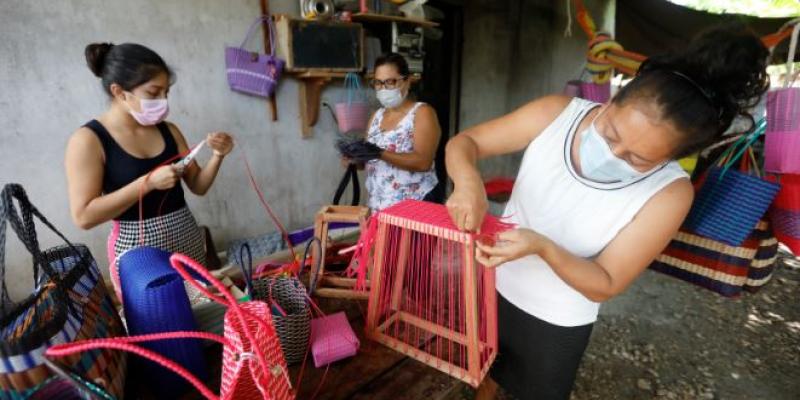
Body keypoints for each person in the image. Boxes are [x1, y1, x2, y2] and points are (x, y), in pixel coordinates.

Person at [445, 24, 769, 400]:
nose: (613, 154)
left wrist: (542, 247)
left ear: (673, 158)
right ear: (612, 100)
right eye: (611, 134)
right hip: (489, 282)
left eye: (637, 159)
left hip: (555, 317)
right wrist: (467, 182)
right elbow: (466, 142)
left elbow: (606, 281)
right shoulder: (556, 114)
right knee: (483, 368)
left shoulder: (670, 193)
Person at [65, 42, 233, 296]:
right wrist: (147, 183)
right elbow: (84, 216)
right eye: (154, 93)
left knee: (200, 310)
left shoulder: (169, 130)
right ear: (120, 92)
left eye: (166, 93)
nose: (163, 101)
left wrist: (218, 155)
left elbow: (198, 185)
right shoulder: (88, 140)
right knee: (156, 314)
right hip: (137, 250)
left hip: (186, 237)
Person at [340, 53, 442, 211]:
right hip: (379, 206)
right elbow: (368, 161)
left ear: (407, 81)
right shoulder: (376, 117)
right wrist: (354, 159)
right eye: (378, 82)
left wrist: (380, 153)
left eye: (390, 82)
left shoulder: (422, 113)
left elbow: (423, 162)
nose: (383, 88)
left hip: (415, 206)